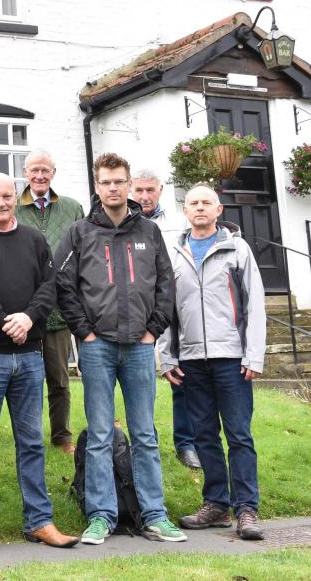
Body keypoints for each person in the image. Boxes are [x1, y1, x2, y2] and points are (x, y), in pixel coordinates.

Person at [55, 152, 186, 546]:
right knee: (99, 435)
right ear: (97, 187)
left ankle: (155, 516)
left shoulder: (148, 232)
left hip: (140, 348)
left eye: (119, 181)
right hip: (97, 348)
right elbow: (62, 284)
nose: (113, 188)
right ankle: (100, 516)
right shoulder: (80, 232)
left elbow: (166, 283)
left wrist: (153, 331)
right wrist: (84, 333)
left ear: (130, 186)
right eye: (106, 182)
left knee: (145, 433)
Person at [0, 172, 79, 556]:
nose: (3, 202)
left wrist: (28, 318)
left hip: (28, 355)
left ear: (15, 198)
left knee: (31, 443)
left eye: (8, 196)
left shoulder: (34, 239)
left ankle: (39, 521)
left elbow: (49, 285)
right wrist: (7, 319)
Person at [159, 184, 266, 541]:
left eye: (206, 203)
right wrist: (166, 356)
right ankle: (216, 504)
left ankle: (247, 508)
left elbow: (255, 305)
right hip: (191, 359)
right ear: (185, 211)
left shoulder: (237, 249)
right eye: (194, 203)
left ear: (218, 210)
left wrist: (254, 354)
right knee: (204, 435)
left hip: (231, 358)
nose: (200, 208)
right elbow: (165, 310)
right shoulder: (175, 252)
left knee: (238, 435)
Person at [13, 149, 85, 455]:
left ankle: (61, 436)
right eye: (34, 171)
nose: (40, 176)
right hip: (23, 307)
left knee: (58, 378)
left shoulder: (71, 208)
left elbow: (84, 251)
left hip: (59, 309)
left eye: (45, 170)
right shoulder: (13, 208)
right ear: (25, 173)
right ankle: (27, 438)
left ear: (53, 173)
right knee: (25, 381)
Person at [130, 167, 197, 470]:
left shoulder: (178, 223)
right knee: (140, 379)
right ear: (132, 190)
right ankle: (147, 440)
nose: (144, 196)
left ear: (160, 190)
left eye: (150, 190)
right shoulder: (126, 222)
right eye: (139, 190)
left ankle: (186, 443)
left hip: (174, 305)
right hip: (137, 308)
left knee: (179, 374)